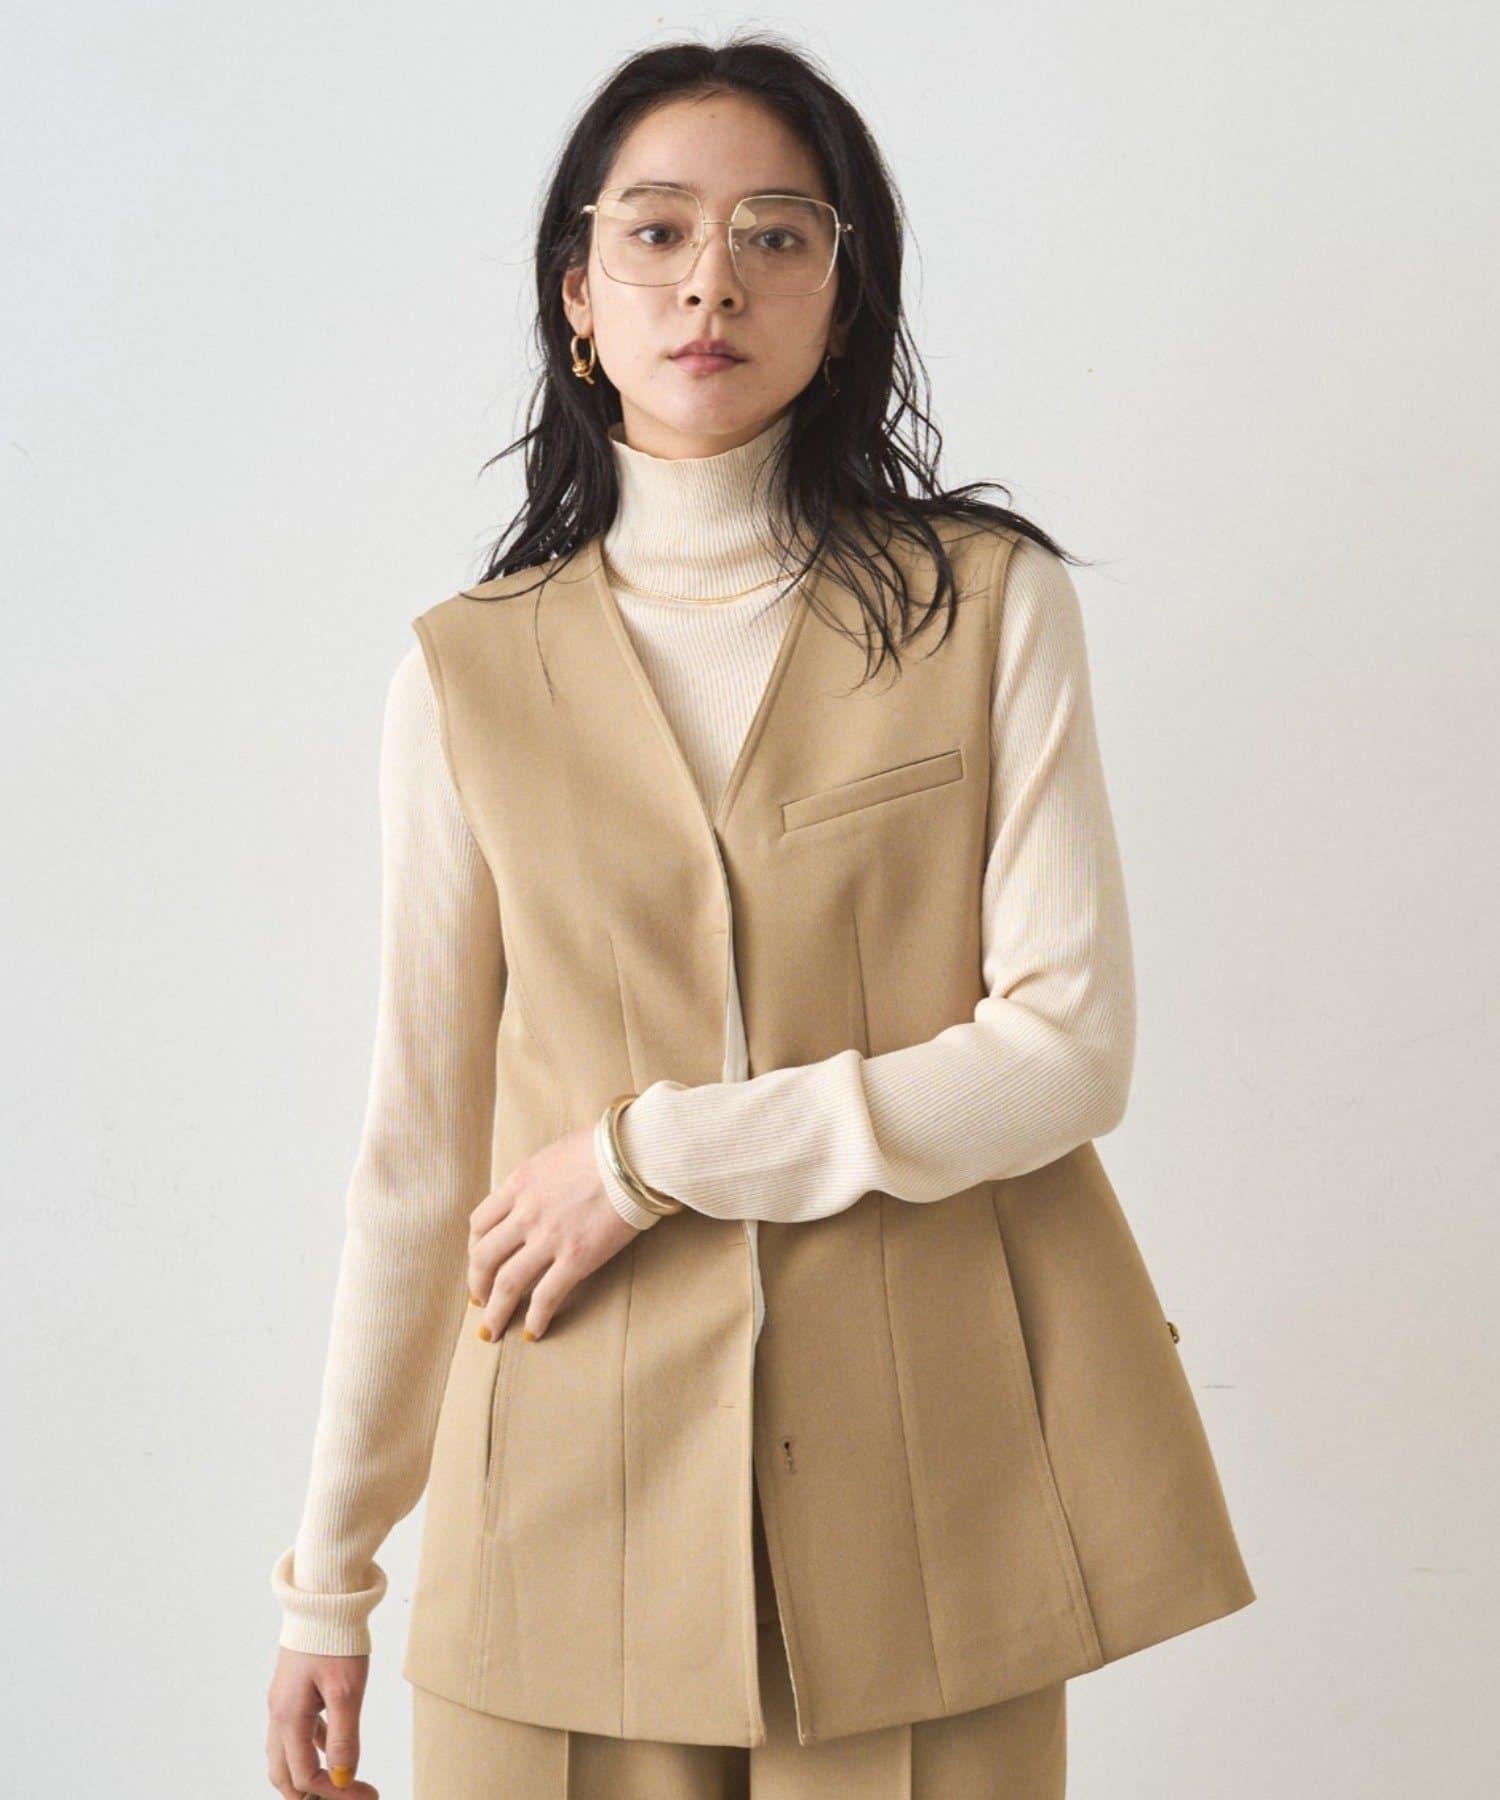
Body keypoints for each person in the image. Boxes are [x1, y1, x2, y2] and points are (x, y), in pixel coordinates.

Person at [265, 33, 1253, 1800]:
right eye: (655, 232)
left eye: (776, 234)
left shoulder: (984, 607)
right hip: (561, 1494)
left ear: (841, 294)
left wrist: (650, 1155)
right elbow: (415, 1154)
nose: (710, 281)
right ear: (579, 294)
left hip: (928, 1501)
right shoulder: (464, 678)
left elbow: (1066, 1052)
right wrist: (328, 1576)